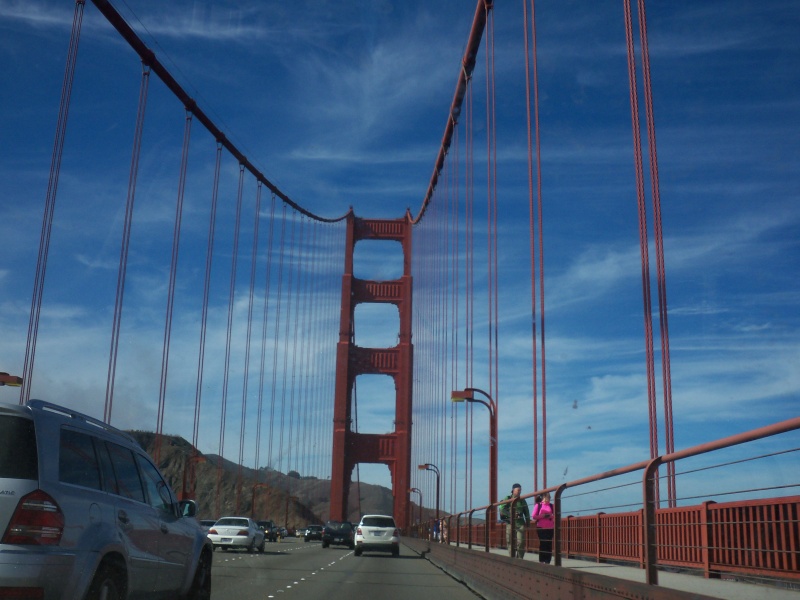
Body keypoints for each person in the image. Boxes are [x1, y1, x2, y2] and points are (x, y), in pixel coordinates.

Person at [499, 483, 531, 558]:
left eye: (520, 490)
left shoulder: (522, 500)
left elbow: (526, 512)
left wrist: (528, 523)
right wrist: (512, 514)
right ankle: (512, 558)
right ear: (513, 490)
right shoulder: (508, 498)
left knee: (521, 542)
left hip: (520, 524)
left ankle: (519, 559)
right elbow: (502, 509)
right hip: (510, 523)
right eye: (518, 490)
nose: (520, 492)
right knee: (510, 541)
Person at [532, 491, 555, 564]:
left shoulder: (552, 506)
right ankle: (542, 560)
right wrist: (542, 516)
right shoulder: (538, 505)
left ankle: (548, 561)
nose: (547, 499)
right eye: (546, 498)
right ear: (543, 498)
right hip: (541, 527)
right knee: (543, 543)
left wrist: (550, 516)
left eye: (548, 498)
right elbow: (534, 516)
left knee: (549, 544)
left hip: (550, 527)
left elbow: (555, 515)